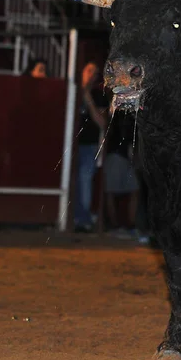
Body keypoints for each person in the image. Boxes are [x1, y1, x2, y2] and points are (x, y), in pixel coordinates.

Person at [74, 61, 109, 233]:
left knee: (84, 178)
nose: (91, 75)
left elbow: (103, 123)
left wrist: (87, 98)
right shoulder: (70, 90)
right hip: (70, 145)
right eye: (88, 70)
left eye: (94, 73)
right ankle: (76, 217)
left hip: (89, 145)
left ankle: (83, 219)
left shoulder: (98, 95)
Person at [103, 110, 141, 234]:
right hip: (117, 153)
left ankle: (127, 224)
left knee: (132, 189)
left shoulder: (128, 111)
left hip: (123, 154)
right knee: (112, 190)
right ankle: (114, 224)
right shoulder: (118, 112)